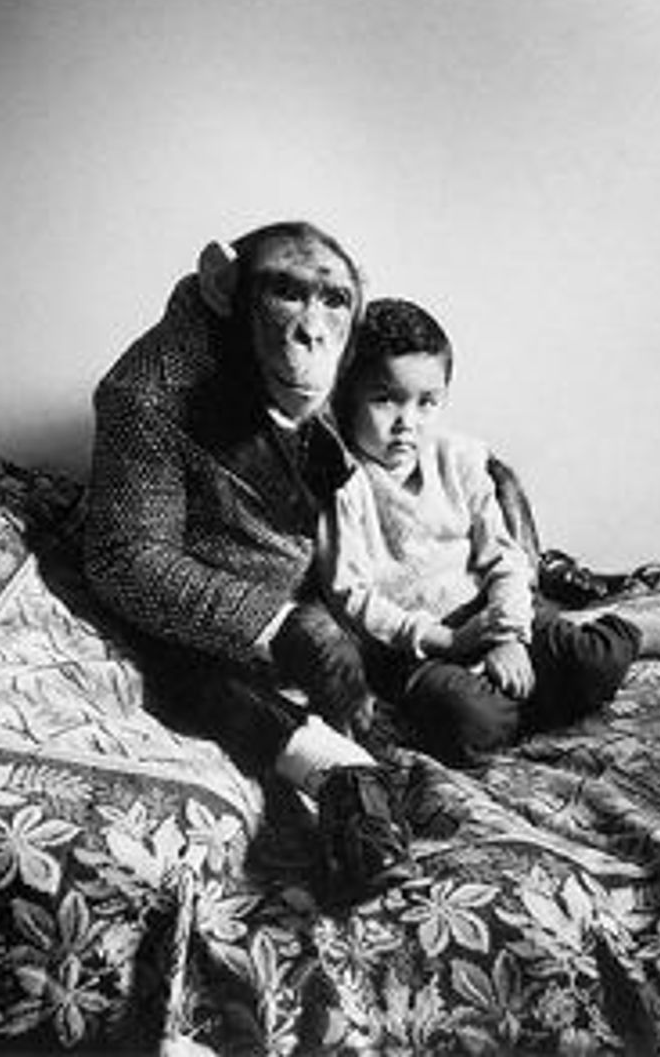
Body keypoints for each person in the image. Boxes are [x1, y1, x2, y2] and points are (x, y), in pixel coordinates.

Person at [84, 222, 414, 906]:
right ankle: (341, 777)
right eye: (286, 296)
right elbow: (125, 557)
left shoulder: (335, 359)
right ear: (223, 286)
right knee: (194, 678)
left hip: (315, 579)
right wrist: (282, 624)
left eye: (332, 302)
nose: (311, 331)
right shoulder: (147, 392)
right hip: (207, 618)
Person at [319, 297, 660, 768]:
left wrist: (508, 635)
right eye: (385, 399)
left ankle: (631, 635)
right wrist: (444, 642)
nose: (407, 422)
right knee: (467, 725)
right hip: (419, 648)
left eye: (427, 402)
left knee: (591, 663)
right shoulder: (341, 481)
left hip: (490, 614)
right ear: (346, 393)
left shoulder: (458, 459)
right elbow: (350, 594)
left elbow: (504, 559)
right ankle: (517, 701)